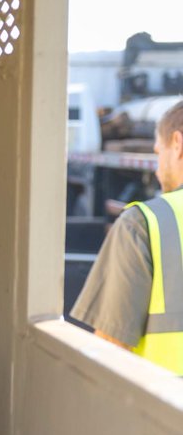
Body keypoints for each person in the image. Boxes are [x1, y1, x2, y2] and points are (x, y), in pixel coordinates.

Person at [71, 99, 183, 374]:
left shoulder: (144, 223)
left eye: (159, 153)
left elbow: (110, 350)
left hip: (162, 411)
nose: (157, 170)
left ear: (177, 144)